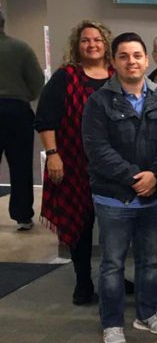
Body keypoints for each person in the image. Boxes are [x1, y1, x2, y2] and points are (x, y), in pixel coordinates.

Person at [82, 32, 157, 343]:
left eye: (137, 55)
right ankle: (112, 323)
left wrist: (156, 174)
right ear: (114, 62)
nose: (131, 61)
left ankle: (147, 313)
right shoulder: (99, 102)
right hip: (114, 197)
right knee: (112, 264)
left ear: (146, 59)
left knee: (151, 261)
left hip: (155, 196)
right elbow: (97, 149)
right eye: (123, 56)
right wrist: (136, 176)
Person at [37, 21, 112, 305]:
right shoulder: (65, 76)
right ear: (77, 45)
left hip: (111, 165)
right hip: (72, 162)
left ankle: (113, 275)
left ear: (106, 43)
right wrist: (52, 154)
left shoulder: (117, 74)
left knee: (113, 224)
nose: (91, 45)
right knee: (79, 222)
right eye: (85, 40)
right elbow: (45, 118)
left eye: (96, 39)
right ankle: (83, 280)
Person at [0, 8, 44, 230]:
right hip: (17, 110)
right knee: (21, 165)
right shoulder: (21, 48)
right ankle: (23, 215)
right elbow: (37, 83)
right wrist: (23, 96)